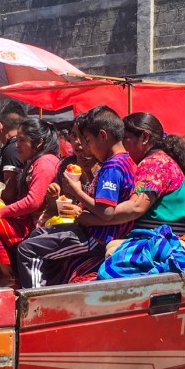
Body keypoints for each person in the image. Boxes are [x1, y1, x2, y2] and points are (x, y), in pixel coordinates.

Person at [16, 106, 136, 288]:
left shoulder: (112, 167)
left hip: (96, 238)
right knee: (38, 233)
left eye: (88, 140)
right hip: (93, 231)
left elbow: (106, 211)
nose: (88, 147)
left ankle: (33, 298)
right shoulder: (126, 161)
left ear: (103, 136)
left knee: (27, 249)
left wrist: (76, 191)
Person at [0, 118, 60, 285]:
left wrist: (0, 211)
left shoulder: (45, 164)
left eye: (22, 140)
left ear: (39, 142)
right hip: (26, 219)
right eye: (17, 139)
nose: (17, 145)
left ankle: (8, 275)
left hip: (36, 224)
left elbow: (33, 202)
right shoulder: (37, 161)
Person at [104, 112, 185, 237]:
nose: (121, 146)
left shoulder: (155, 164)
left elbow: (136, 207)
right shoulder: (163, 160)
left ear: (144, 137)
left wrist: (92, 218)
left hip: (158, 239)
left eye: (125, 138)